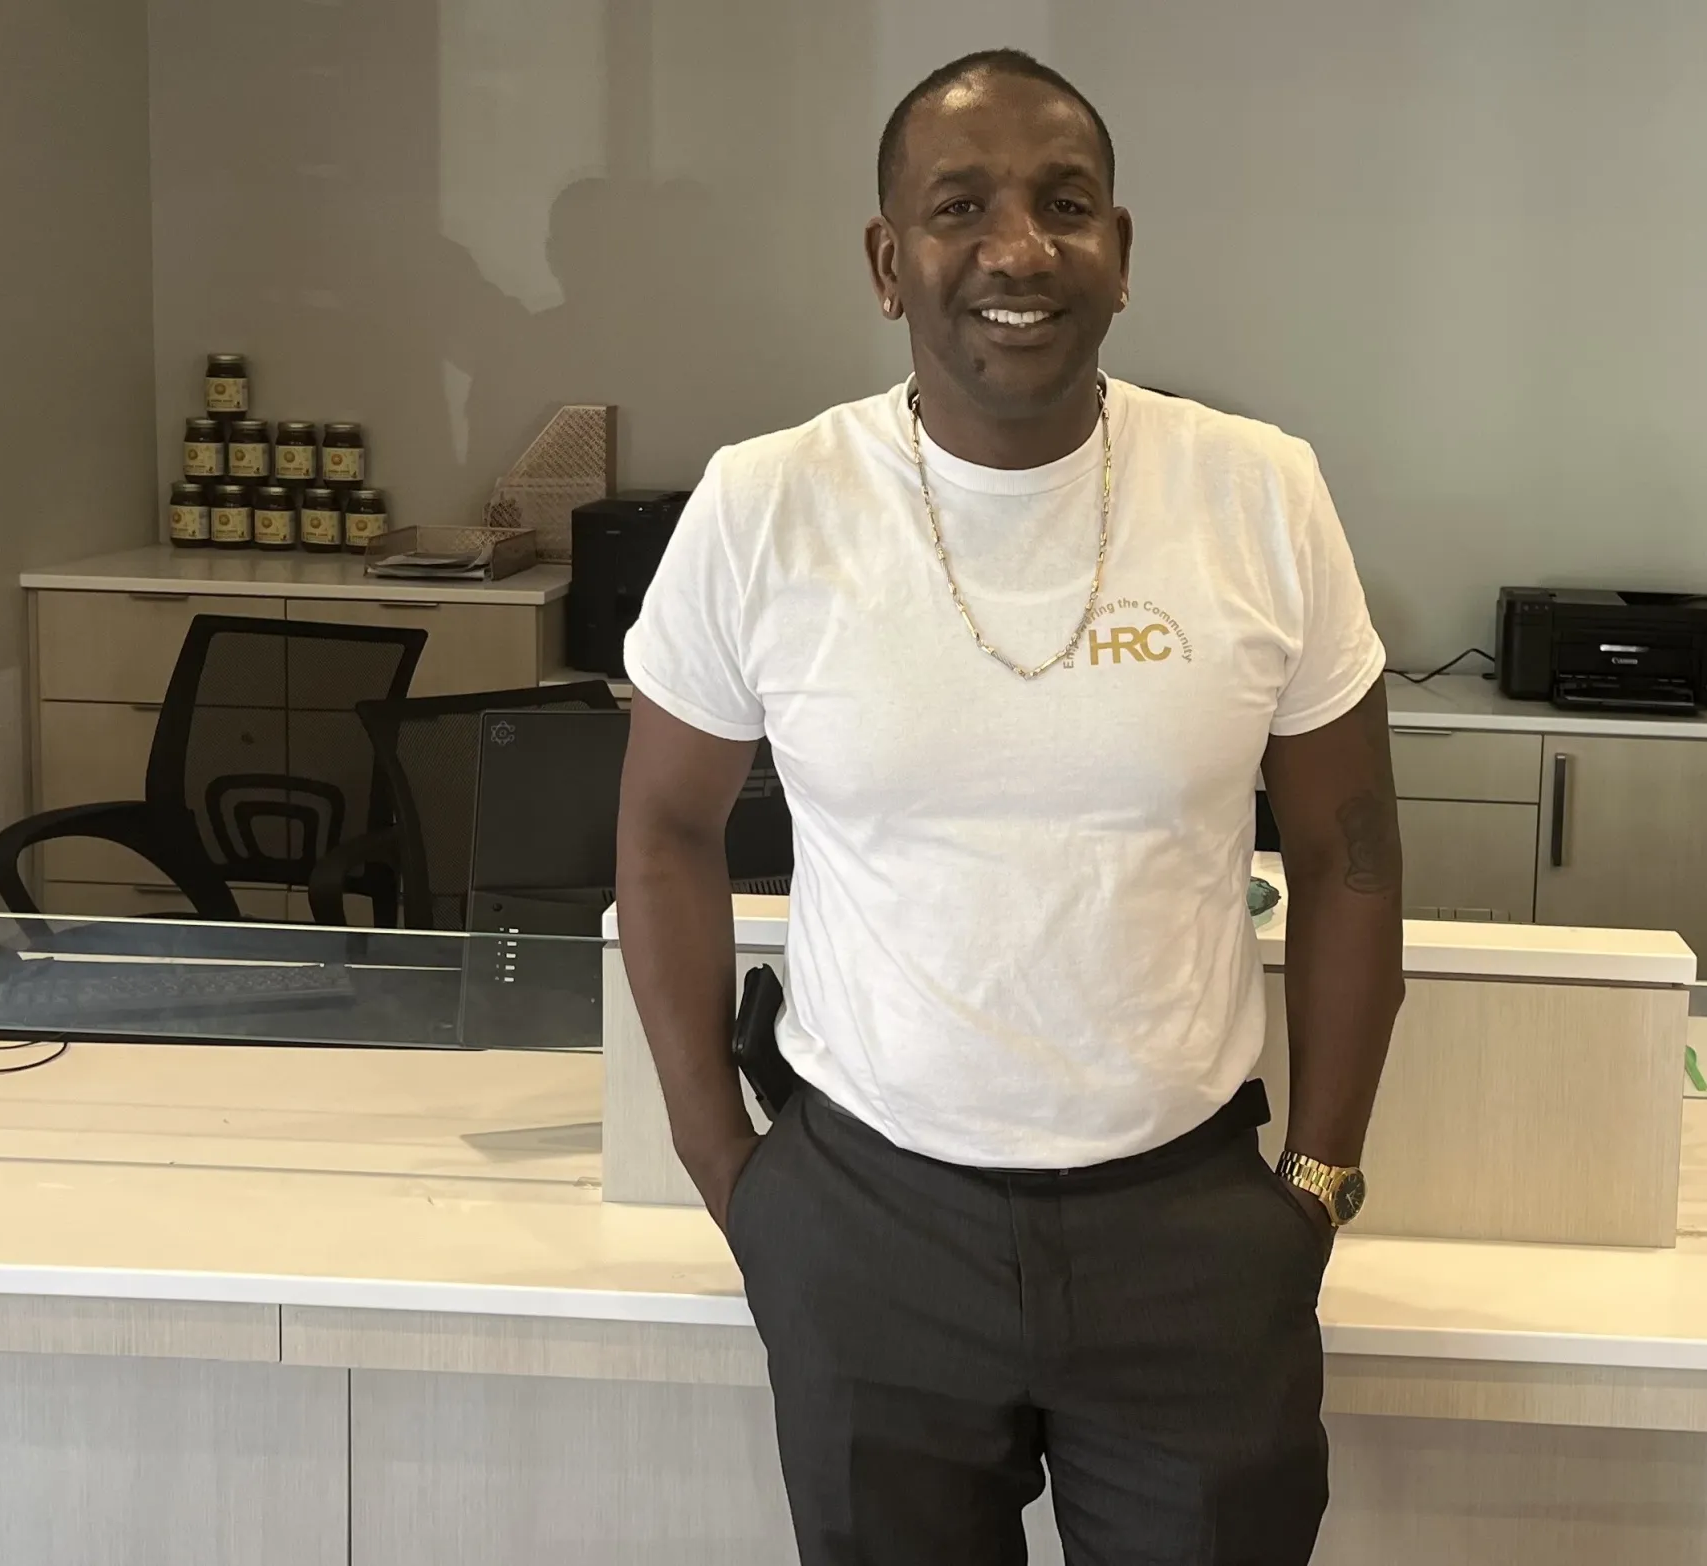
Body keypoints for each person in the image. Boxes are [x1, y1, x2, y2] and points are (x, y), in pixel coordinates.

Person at [616, 47, 1404, 1566]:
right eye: (960, 206)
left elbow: (1350, 851)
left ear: (1122, 250)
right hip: (867, 1221)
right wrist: (733, 1175)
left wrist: (1313, 1182)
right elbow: (662, 830)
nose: (1018, 249)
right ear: (886, 261)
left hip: (1187, 1226)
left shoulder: (1259, 493)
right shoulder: (766, 505)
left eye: (1065, 204)